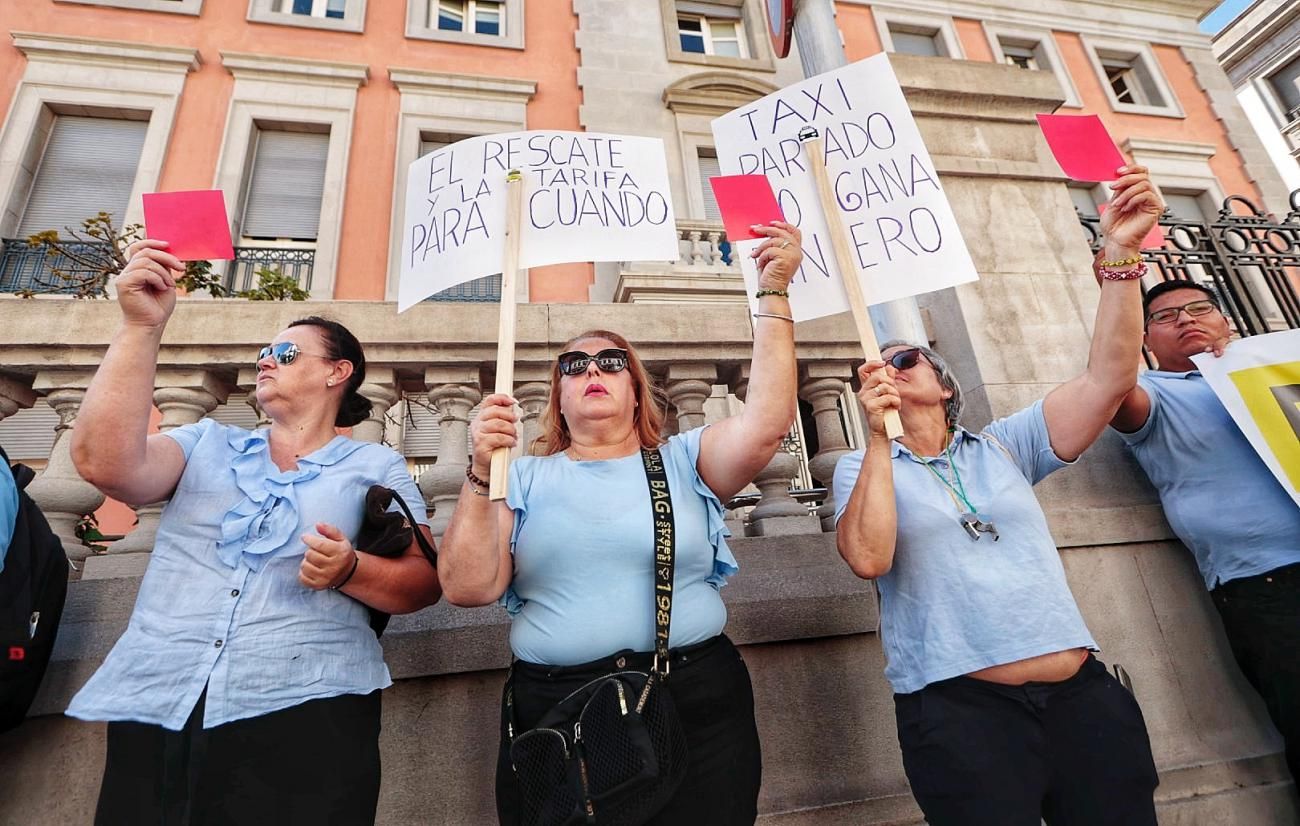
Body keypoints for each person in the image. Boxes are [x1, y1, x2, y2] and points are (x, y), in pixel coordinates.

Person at [66, 239, 441, 826]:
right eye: (264, 352)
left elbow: (421, 584)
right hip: (166, 695)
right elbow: (104, 465)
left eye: (286, 351)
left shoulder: (378, 467)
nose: (266, 360)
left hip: (307, 708)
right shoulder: (205, 443)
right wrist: (140, 328)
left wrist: (350, 570)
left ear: (337, 372)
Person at [437, 221, 802, 825]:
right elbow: (468, 587)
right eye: (573, 365)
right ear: (557, 396)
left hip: (692, 698)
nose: (591, 372)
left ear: (636, 390)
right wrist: (480, 471)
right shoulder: (519, 477)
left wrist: (773, 294)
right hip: (561, 708)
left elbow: (765, 422)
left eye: (610, 361)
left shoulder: (684, 460)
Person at [832, 165, 1164, 826]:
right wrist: (875, 440)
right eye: (872, 368)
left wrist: (1123, 257)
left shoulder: (1004, 447)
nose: (887, 371)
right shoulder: (862, 466)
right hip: (962, 718)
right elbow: (868, 559)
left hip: (1082, 702)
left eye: (904, 359)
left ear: (945, 385)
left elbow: (1107, 378)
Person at [1110, 278, 1300, 783]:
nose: (1186, 319)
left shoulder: (1274, 370)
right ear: (1146, 339)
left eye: (1199, 308)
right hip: (1268, 585)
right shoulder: (1151, 393)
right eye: (1166, 317)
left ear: (1226, 321)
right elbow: (1111, 379)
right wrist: (1119, 279)